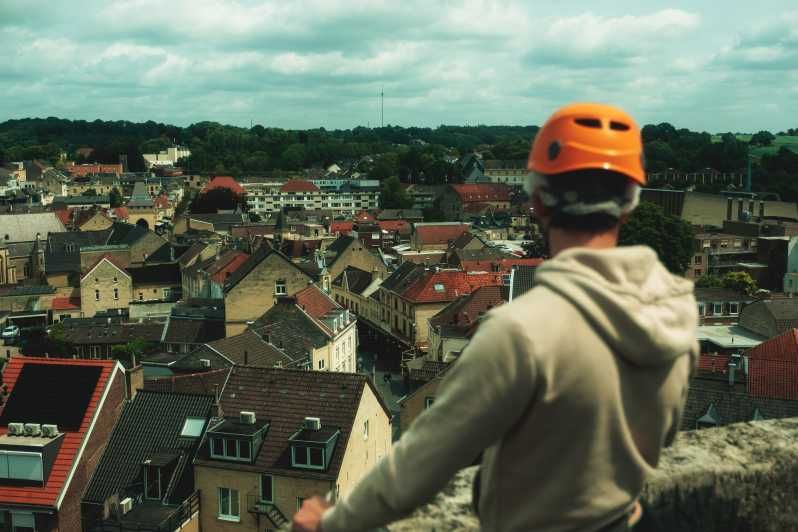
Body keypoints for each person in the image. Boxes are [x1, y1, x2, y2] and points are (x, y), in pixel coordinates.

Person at [293, 103, 698, 532]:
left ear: (538, 201)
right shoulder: (675, 310)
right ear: (630, 204)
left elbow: (422, 464)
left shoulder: (521, 332)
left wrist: (332, 523)